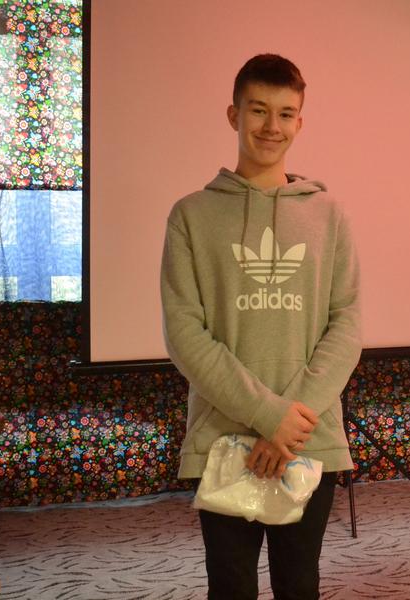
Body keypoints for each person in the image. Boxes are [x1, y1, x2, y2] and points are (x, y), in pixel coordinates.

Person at [160, 54, 361, 600]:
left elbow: (346, 324)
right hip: (223, 439)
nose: (272, 126)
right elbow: (185, 334)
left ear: (300, 122)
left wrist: (288, 423)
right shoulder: (190, 215)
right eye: (258, 110)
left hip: (309, 438)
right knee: (230, 588)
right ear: (234, 115)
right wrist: (269, 416)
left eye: (286, 113)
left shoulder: (330, 214)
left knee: (299, 585)